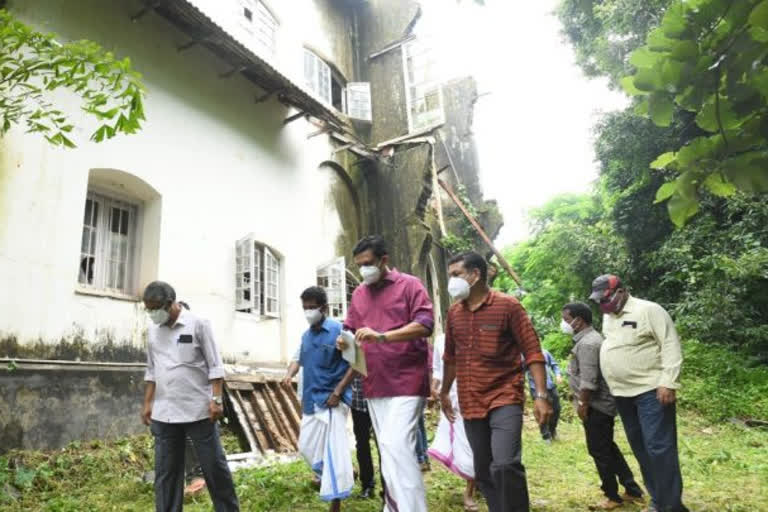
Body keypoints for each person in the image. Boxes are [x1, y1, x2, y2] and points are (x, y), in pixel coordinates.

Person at [440, 252, 553, 512]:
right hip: (470, 401)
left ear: (476, 274)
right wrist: (445, 392)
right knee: (484, 471)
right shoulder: (454, 313)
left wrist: (541, 396)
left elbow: (533, 351)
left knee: (505, 464)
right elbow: (450, 357)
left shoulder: (508, 306)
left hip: (504, 397)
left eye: (456, 275)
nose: (452, 282)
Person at [337, 235, 433, 512]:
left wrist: (383, 337)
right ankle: (394, 506)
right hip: (375, 382)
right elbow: (350, 329)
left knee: (397, 444)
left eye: (368, 263)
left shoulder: (410, 285)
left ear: (383, 260)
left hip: (408, 379)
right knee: (388, 450)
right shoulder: (359, 294)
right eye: (359, 265)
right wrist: (343, 340)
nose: (364, 270)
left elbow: (425, 324)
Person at [590, 275, 689, 512]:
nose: (603, 304)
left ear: (621, 291)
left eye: (606, 298)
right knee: (641, 448)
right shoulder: (608, 317)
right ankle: (658, 500)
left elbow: (670, 344)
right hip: (622, 393)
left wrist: (668, 382)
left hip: (651, 390)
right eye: (598, 301)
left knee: (659, 447)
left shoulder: (649, 310)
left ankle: (672, 505)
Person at [141, 281, 239, 512]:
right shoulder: (153, 331)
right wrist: (147, 403)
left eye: (155, 308)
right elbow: (152, 370)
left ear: (169, 303)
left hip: (198, 411)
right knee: (166, 473)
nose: (152, 314)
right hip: (164, 413)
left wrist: (216, 400)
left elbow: (215, 366)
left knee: (214, 467)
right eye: (148, 309)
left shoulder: (198, 324)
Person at [562, 301, 644, 510]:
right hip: (599, 404)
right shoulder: (589, 339)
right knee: (608, 447)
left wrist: (583, 403)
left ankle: (612, 496)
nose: (564, 324)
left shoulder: (589, 343)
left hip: (596, 406)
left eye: (566, 320)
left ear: (578, 321)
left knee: (599, 450)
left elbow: (589, 381)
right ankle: (632, 489)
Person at [293, 286, 356, 511]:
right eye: (305, 308)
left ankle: (335, 501)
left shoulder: (340, 331)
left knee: (334, 450)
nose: (308, 312)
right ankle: (342, 472)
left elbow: (355, 365)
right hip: (311, 400)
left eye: (312, 307)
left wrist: (338, 391)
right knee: (306, 447)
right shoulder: (306, 336)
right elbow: (301, 362)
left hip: (332, 400)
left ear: (324, 308)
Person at [428, 333, 477, 512]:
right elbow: (438, 369)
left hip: (478, 396)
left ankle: (476, 484)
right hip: (453, 401)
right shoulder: (441, 340)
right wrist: (434, 389)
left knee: (478, 444)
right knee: (466, 445)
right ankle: (470, 490)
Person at [522, 348, 562, 441]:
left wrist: (558, 375)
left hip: (551, 386)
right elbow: (521, 372)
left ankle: (553, 431)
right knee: (541, 412)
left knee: (556, 409)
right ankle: (546, 435)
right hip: (536, 389)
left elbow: (554, 365)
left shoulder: (545, 352)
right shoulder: (525, 355)